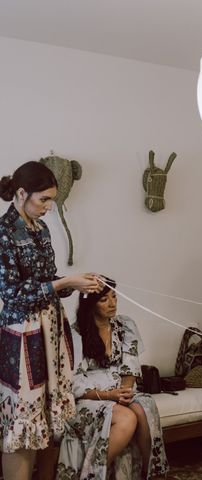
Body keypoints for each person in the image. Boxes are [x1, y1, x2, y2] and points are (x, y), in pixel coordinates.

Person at [0, 161, 100, 480]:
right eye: (43, 199)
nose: (48, 208)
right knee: (24, 423)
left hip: (51, 332)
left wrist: (78, 283)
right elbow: (12, 293)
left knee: (47, 419)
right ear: (21, 193)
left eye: (51, 201)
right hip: (21, 335)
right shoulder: (4, 233)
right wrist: (64, 283)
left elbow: (48, 282)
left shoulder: (41, 230)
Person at [56, 277, 169, 479]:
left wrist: (124, 393)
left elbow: (130, 366)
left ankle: (150, 473)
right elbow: (73, 382)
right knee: (127, 418)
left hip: (120, 389)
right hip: (89, 397)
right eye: (104, 300)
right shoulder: (75, 334)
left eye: (114, 297)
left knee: (144, 408)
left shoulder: (125, 326)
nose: (112, 303)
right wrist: (109, 395)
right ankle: (91, 475)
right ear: (90, 305)